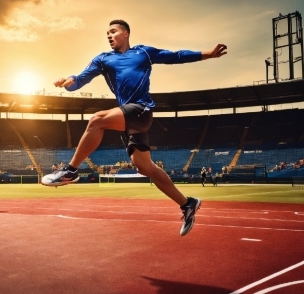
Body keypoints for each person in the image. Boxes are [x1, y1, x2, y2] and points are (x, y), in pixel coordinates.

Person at [40, 19, 227, 236]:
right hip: (128, 118)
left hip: (141, 109)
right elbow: (80, 79)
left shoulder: (143, 53)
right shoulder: (103, 59)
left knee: (97, 120)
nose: (109, 36)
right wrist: (68, 81)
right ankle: (187, 204)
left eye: (113, 31)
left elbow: (175, 56)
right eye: (107, 33)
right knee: (144, 167)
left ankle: (70, 171)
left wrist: (207, 54)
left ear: (126, 33)